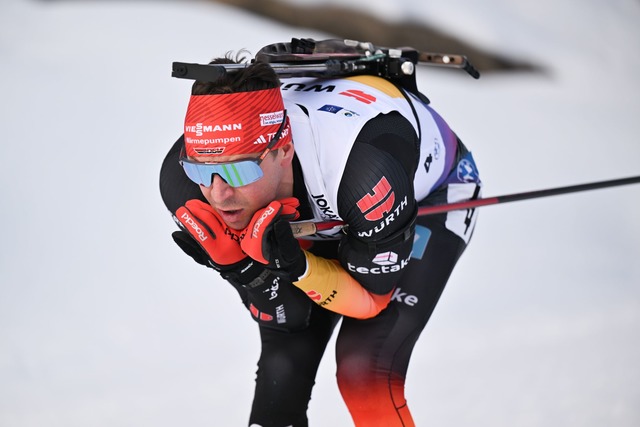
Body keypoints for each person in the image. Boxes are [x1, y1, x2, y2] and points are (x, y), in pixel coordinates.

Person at [160, 40, 481, 427]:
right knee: (284, 364)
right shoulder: (182, 184)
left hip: (429, 194)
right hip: (322, 208)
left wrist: (301, 269)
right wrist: (246, 272)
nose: (219, 195)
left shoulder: (363, 176)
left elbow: (371, 300)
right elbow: (288, 319)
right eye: (200, 171)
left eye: (238, 171)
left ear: (284, 149)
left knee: (363, 369)